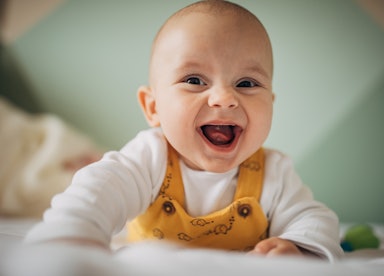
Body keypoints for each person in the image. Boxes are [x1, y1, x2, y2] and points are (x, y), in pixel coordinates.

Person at [25, 0, 344, 261]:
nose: (224, 98)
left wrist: (300, 247)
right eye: (194, 80)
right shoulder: (150, 157)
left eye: (246, 83)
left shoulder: (274, 173)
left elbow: (314, 220)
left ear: (271, 103)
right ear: (153, 107)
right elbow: (100, 190)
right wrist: (71, 236)